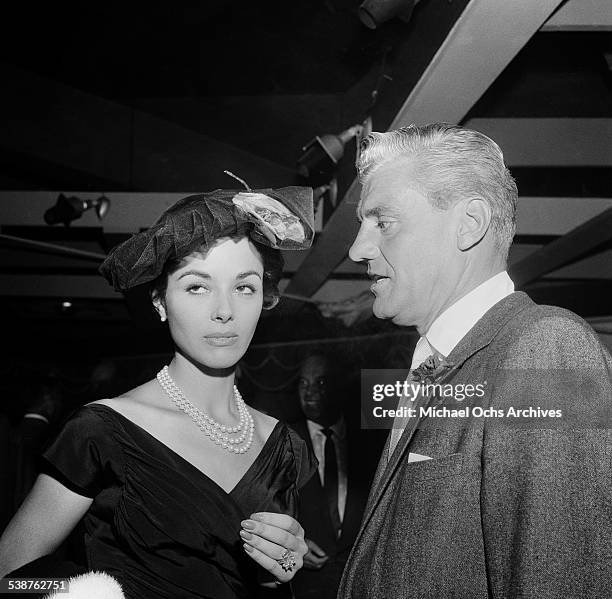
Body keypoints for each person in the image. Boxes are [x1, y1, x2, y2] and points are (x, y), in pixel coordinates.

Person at [0, 186, 318, 599]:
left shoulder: (284, 445)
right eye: (196, 287)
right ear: (160, 302)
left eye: (244, 287)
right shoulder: (101, 431)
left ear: (264, 298)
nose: (224, 311)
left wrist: (282, 570)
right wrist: (94, 592)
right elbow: (10, 576)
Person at [338, 124, 612, 598]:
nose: (357, 249)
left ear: (469, 224)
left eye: (383, 221)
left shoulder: (544, 346)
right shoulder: (442, 362)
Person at [290, 354, 379, 599]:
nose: (309, 392)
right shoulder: (282, 441)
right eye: (303, 383)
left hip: (364, 582)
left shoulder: (371, 440)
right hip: (307, 585)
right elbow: (261, 510)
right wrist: (290, 547)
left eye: (320, 383)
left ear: (339, 386)